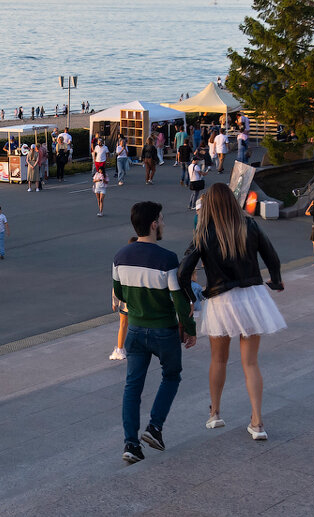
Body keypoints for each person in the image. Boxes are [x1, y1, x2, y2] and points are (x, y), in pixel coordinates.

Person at [179, 183, 286, 441]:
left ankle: (215, 414)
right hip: (252, 296)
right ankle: (257, 423)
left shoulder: (203, 233)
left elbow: (183, 270)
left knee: (219, 360)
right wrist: (276, 280)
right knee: (250, 363)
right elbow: (272, 256)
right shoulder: (249, 225)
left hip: (220, 299)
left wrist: (190, 296)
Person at [112, 201, 196, 464]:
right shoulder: (167, 258)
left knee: (132, 387)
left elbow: (120, 294)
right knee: (171, 376)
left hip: (134, 330)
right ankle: (154, 428)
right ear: (153, 224)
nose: (163, 223)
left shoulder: (120, 256)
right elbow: (179, 300)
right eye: (161, 219)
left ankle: (131, 444)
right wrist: (190, 329)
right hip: (163, 331)